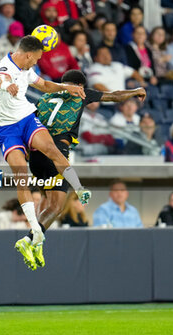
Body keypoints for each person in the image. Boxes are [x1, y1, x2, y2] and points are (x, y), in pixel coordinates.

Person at [0, 36, 91, 269]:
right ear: (27, 55)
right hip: (6, 129)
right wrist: (7, 86)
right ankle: (35, 230)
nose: (36, 62)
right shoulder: (3, 67)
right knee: (21, 174)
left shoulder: (26, 69)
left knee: (53, 149)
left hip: (26, 118)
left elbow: (44, 85)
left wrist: (67, 87)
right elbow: (2, 78)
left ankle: (79, 186)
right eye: (36, 58)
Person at [27, 69, 146, 268]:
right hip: (56, 153)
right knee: (56, 207)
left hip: (35, 155)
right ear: (80, 86)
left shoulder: (46, 95)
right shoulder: (82, 94)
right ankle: (30, 239)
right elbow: (115, 96)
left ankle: (36, 240)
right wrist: (136, 91)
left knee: (47, 198)